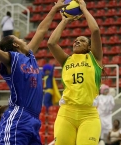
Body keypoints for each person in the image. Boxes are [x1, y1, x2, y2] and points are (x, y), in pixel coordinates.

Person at [0, 0, 68, 144]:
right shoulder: (12, 58)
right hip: (18, 116)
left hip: (34, 119)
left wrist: (54, 9)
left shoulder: (29, 56)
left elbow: (41, 31)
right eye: (18, 38)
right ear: (15, 44)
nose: (22, 39)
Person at [47, 0, 103, 144]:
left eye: (82, 41)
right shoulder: (66, 60)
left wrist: (83, 8)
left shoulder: (95, 58)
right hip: (66, 113)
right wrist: (64, 21)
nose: (77, 42)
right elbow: (51, 43)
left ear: (90, 47)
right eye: (75, 40)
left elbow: (95, 30)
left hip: (88, 114)